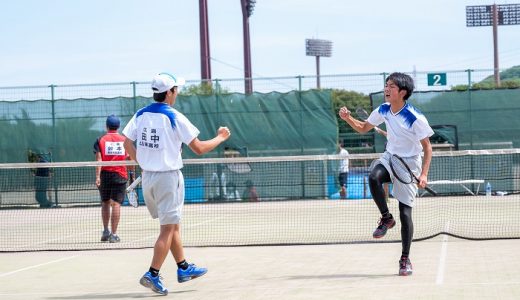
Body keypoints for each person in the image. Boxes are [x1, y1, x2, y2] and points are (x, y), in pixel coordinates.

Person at [123, 72, 231, 295]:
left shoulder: (140, 114)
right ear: (170, 92)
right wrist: (221, 138)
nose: (178, 93)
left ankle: (183, 267)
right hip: (168, 178)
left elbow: (126, 142)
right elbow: (199, 148)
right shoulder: (174, 116)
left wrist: (143, 161)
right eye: (177, 89)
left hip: (150, 178)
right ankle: (152, 273)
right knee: (167, 229)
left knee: (173, 227)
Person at [339, 72, 433, 276]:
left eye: (391, 86)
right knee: (373, 176)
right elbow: (363, 128)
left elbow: (427, 148)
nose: (386, 89)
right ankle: (386, 218)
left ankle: (405, 259)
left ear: (403, 92)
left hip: (410, 163)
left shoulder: (415, 118)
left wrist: (424, 174)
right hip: (390, 157)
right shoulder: (383, 109)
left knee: (405, 213)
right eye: (386, 85)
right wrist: (348, 119)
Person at [93, 115, 133, 243]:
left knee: (105, 202)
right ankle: (114, 234)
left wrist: (98, 177)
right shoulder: (124, 140)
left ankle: (106, 231)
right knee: (116, 204)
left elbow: (99, 160)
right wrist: (132, 175)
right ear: (118, 126)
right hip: (120, 175)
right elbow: (130, 159)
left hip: (105, 175)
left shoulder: (100, 140)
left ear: (106, 126)